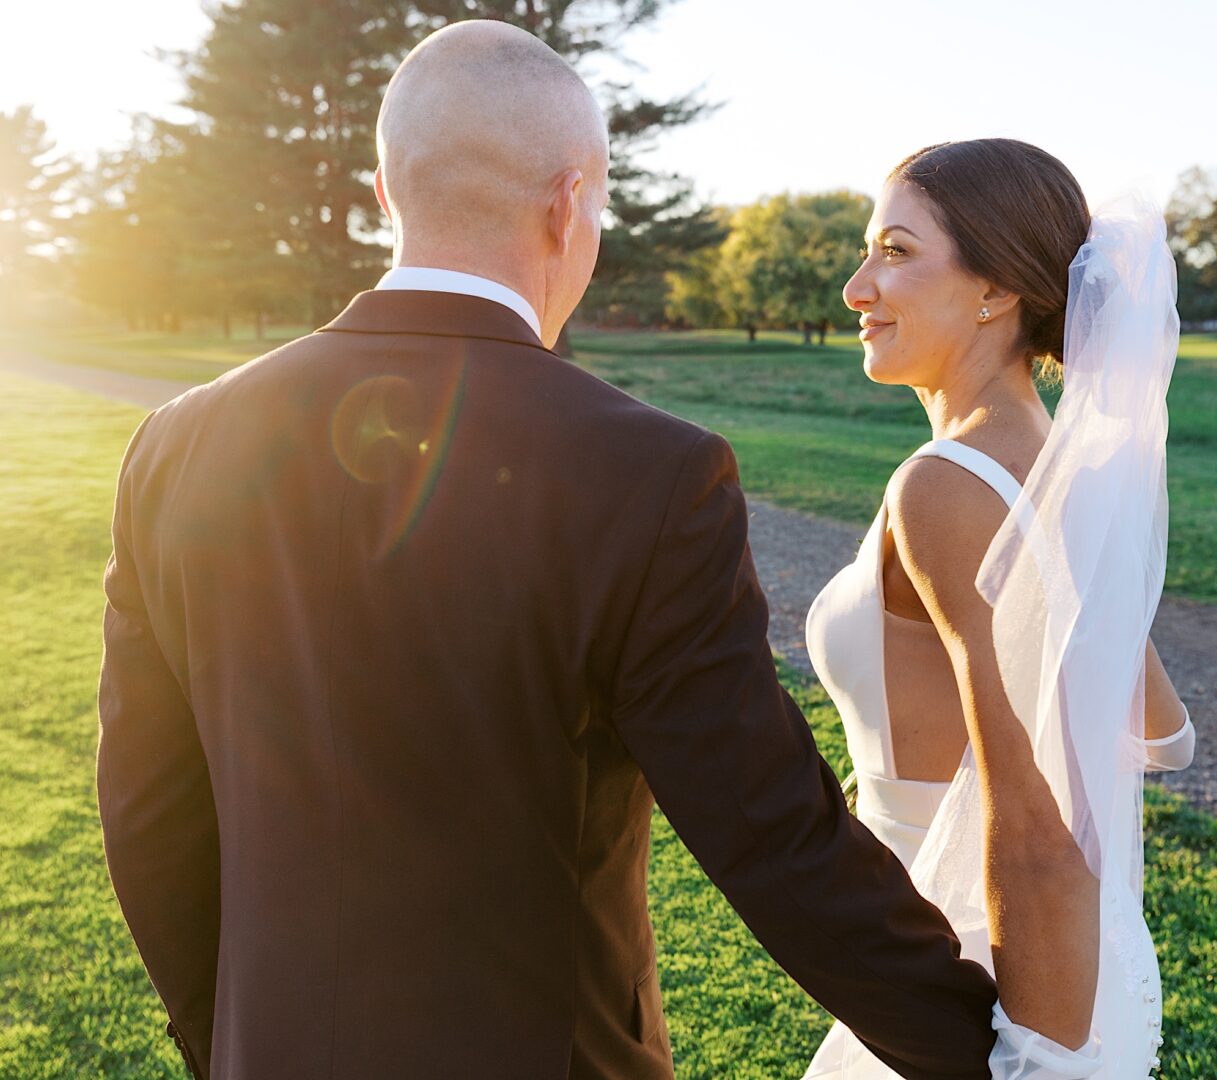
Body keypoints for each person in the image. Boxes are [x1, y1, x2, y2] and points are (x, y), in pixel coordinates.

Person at [95, 22, 1069, 1079]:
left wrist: (228, 1044)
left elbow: (149, 817)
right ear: (570, 204)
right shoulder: (650, 474)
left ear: (387, 191)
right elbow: (772, 836)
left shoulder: (175, 446)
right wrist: (992, 1056)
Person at [804, 140, 1196, 1079]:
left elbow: (1030, 830)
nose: (858, 286)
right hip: (1094, 958)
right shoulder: (1065, 472)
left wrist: (1037, 1062)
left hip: (989, 969)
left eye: (895, 252)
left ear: (996, 290)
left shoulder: (942, 487)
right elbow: (1164, 733)